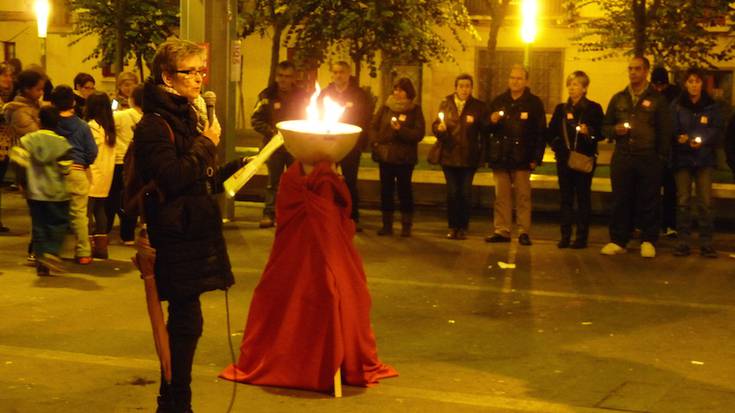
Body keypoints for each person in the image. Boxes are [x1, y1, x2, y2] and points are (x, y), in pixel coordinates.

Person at [133, 39, 247, 412]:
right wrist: (205, 144)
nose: (199, 78)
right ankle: (174, 400)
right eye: (190, 71)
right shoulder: (155, 123)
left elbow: (197, 178)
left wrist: (232, 170)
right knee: (185, 320)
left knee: (187, 319)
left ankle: (174, 398)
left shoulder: (190, 116)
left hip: (193, 230)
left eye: (201, 70)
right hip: (173, 234)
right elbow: (172, 176)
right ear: (168, 76)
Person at [220, 160, 398, 392]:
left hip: (300, 251)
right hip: (307, 249)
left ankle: (306, 356)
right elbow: (338, 209)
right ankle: (325, 358)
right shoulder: (315, 177)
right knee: (330, 291)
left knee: (311, 292)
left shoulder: (302, 176)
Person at [601, 56, 672, 258]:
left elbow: (664, 131)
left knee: (648, 200)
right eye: (630, 69)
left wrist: (660, 158)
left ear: (646, 71)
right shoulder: (619, 98)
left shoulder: (657, 99)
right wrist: (615, 130)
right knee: (621, 199)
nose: (633, 72)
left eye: (637, 69)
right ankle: (618, 240)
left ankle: (649, 240)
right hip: (624, 156)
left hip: (648, 157)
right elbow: (605, 127)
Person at [486, 65, 547, 246]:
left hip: (523, 157)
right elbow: (486, 127)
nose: (515, 81)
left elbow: (540, 132)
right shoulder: (499, 101)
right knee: (501, 196)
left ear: (526, 81)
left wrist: (536, 157)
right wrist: (491, 120)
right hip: (501, 156)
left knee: (523, 196)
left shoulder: (534, 103)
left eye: (519, 78)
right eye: (512, 77)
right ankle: (502, 230)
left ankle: (523, 231)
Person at [547, 71, 604, 249]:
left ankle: (581, 237)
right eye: (570, 84)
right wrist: (559, 147)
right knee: (565, 198)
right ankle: (565, 236)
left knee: (583, 197)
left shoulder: (594, 109)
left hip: (584, 159)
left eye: (576, 84)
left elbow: (601, 133)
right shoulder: (561, 109)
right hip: (565, 160)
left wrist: (590, 133)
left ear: (585, 88)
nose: (572, 88)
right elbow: (551, 132)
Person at [670, 68, 723, 258]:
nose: (694, 85)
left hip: (703, 159)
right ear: (685, 83)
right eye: (690, 81)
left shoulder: (711, 106)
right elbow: (672, 128)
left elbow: (716, 129)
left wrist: (702, 139)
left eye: (697, 81)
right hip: (683, 159)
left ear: (702, 84)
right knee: (683, 201)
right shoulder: (677, 105)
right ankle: (683, 242)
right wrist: (680, 138)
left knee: (705, 202)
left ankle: (706, 243)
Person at [12, 106, 71, 275]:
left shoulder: (27, 140)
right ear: (58, 123)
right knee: (58, 224)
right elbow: (65, 168)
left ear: (39, 121)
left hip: (35, 192)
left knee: (39, 226)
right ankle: (52, 252)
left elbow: (18, 162)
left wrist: (22, 183)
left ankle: (41, 261)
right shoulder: (62, 143)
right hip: (57, 193)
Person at [251, 60, 309, 228]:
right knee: (273, 182)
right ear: (276, 77)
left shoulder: (303, 96)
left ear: (294, 78)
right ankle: (269, 214)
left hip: (296, 147)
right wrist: (272, 132)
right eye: (281, 76)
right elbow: (256, 120)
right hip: (273, 146)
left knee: (296, 182)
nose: (284, 80)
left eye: (288, 76)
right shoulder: (266, 95)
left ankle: (293, 215)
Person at [431, 73, 487, 240]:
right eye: (461, 86)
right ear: (455, 87)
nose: (464, 89)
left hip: (468, 156)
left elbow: (483, 129)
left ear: (471, 88)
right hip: (449, 155)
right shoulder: (446, 103)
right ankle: (453, 226)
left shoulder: (478, 106)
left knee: (465, 192)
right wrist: (438, 129)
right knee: (452, 192)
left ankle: (463, 226)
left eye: (467, 86)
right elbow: (437, 125)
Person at [319, 61, 373, 231]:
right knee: (328, 180)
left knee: (350, 181)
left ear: (348, 74)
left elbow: (365, 118)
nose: (338, 76)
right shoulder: (325, 94)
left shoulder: (358, 95)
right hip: (329, 145)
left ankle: (352, 216)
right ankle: (329, 215)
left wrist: (360, 141)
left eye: (341, 72)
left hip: (350, 145)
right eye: (334, 72)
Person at [370, 77, 425, 237]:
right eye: (396, 89)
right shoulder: (386, 107)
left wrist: (401, 130)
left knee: (404, 190)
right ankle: (387, 225)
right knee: (386, 190)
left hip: (404, 158)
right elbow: (374, 125)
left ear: (408, 92)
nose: (397, 93)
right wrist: (375, 142)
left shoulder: (415, 110)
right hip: (385, 156)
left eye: (401, 90)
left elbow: (418, 133)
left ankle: (406, 225)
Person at [50, 85, 98, 265]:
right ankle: (83, 252)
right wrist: (84, 162)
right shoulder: (82, 125)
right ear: (72, 101)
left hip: (55, 173)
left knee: (55, 213)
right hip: (78, 171)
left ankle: (52, 252)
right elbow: (92, 151)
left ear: (53, 102)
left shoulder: (50, 123)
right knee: (79, 214)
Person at [85, 92, 117, 259]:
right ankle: (102, 248)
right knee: (100, 210)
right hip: (106, 176)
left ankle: (87, 247)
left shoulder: (90, 127)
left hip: (92, 174)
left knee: (87, 212)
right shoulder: (110, 127)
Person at [111, 84, 143, 245]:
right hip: (138, 163)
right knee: (132, 196)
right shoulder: (148, 118)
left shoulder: (121, 116)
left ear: (132, 100)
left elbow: (107, 125)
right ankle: (129, 234)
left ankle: (106, 232)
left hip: (119, 160)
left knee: (116, 197)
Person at [651, 66, 682, 238]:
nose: (659, 89)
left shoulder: (675, 95)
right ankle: (652, 225)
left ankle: (670, 224)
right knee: (651, 190)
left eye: (661, 85)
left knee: (670, 189)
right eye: (656, 85)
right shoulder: (651, 94)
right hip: (654, 150)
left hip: (670, 150)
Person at [0, 62, 14, 232]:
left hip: (4, 146)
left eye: (11, 75)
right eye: (5, 75)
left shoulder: (6, 97)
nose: (9, 79)